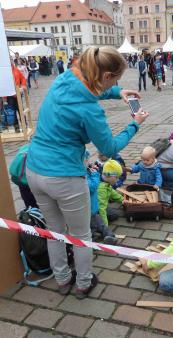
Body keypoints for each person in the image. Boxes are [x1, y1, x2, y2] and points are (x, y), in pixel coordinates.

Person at [26, 46, 149, 299]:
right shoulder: (90, 110)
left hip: (34, 169)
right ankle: (83, 283)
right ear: (105, 76)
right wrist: (135, 124)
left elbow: (87, 90)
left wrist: (118, 93)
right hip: (64, 176)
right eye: (115, 80)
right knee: (81, 235)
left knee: (54, 231)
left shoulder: (65, 78)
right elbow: (110, 149)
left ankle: (62, 280)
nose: (115, 84)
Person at [85, 153, 118, 244]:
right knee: (93, 226)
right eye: (87, 160)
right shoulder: (83, 175)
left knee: (102, 225)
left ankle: (110, 236)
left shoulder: (87, 171)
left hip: (94, 208)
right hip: (88, 209)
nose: (89, 162)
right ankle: (91, 239)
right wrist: (95, 174)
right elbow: (92, 187)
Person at [9, 144, 38, 209]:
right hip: (34, 179)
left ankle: (30, 211)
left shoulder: (25, 147)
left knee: (28, 199)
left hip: (19, 178)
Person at [98, 159, 124, 227]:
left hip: (101, 206)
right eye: (117, 177)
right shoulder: (101, 189)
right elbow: (101, 208)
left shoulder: (106, 182)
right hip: (94, 210)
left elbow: (112, 192)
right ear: (109, 175)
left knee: (114, 215)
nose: (118, 180)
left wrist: (122, 199)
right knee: (104, 215)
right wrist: (105, 227)